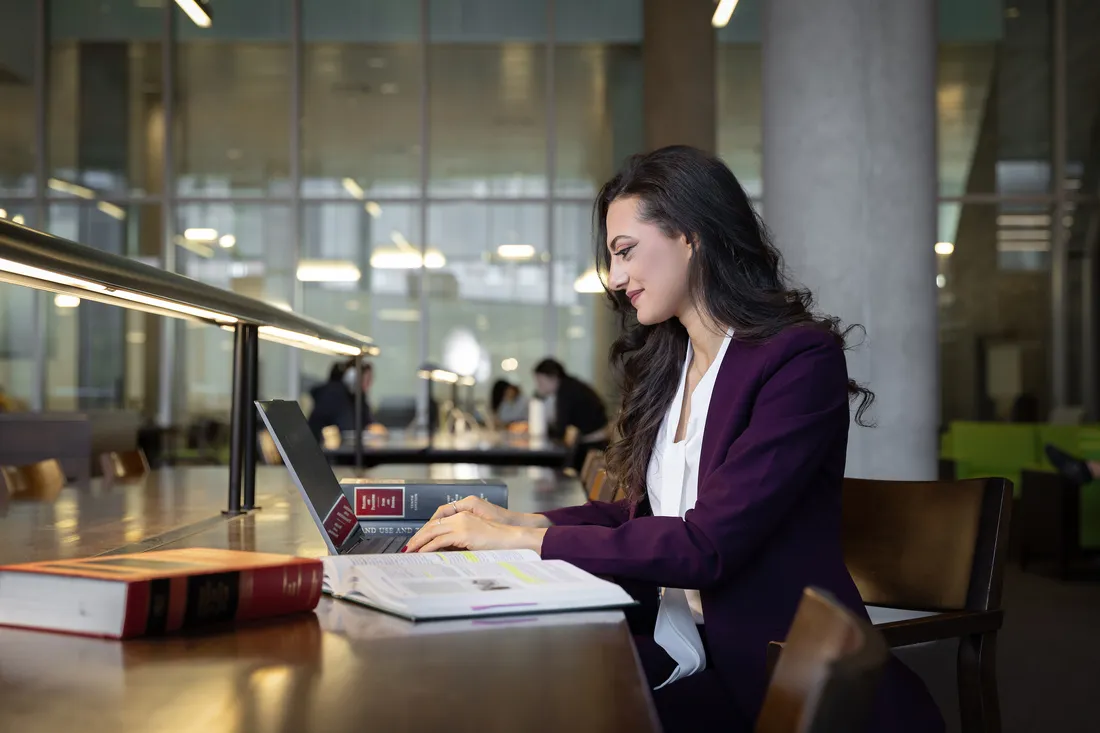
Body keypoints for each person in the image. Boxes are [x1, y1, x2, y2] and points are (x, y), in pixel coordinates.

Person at [403, 146, 943, 732]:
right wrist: (527, 523)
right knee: (496, 675)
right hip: (678, 644)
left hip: (766, 676)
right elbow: (643, 516)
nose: (615, 278)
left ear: (690, 236)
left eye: (626, 251)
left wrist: (516, 543)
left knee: (534, 701)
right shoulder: (674, 364)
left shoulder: (797, 361)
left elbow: (704, 545)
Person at [532, 358, 609, 469]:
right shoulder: (570, 385)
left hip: (591, 447)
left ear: (553, 377)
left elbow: (560, 430)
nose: (539, 386)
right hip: (595, 443)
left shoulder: (565, 392)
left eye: (540, 382)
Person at [307, 360, 373, 441]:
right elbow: (347, 428)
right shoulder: (334, 394)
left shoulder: (355, 397)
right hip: (320, 449)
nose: (369, 385)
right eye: (367, 380)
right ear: (352, 377)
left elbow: (368, 422)